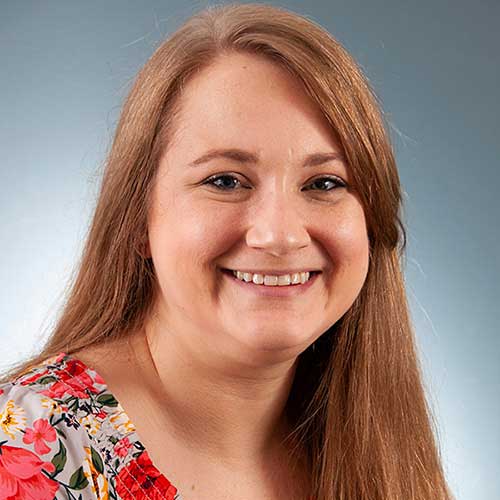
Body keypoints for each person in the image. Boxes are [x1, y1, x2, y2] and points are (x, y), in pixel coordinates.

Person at [0, 3, 454, 499]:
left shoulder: (378, 453)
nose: (279, 236)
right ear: (136, 218)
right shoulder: (26, 453)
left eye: (324, 183)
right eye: (225, 181)